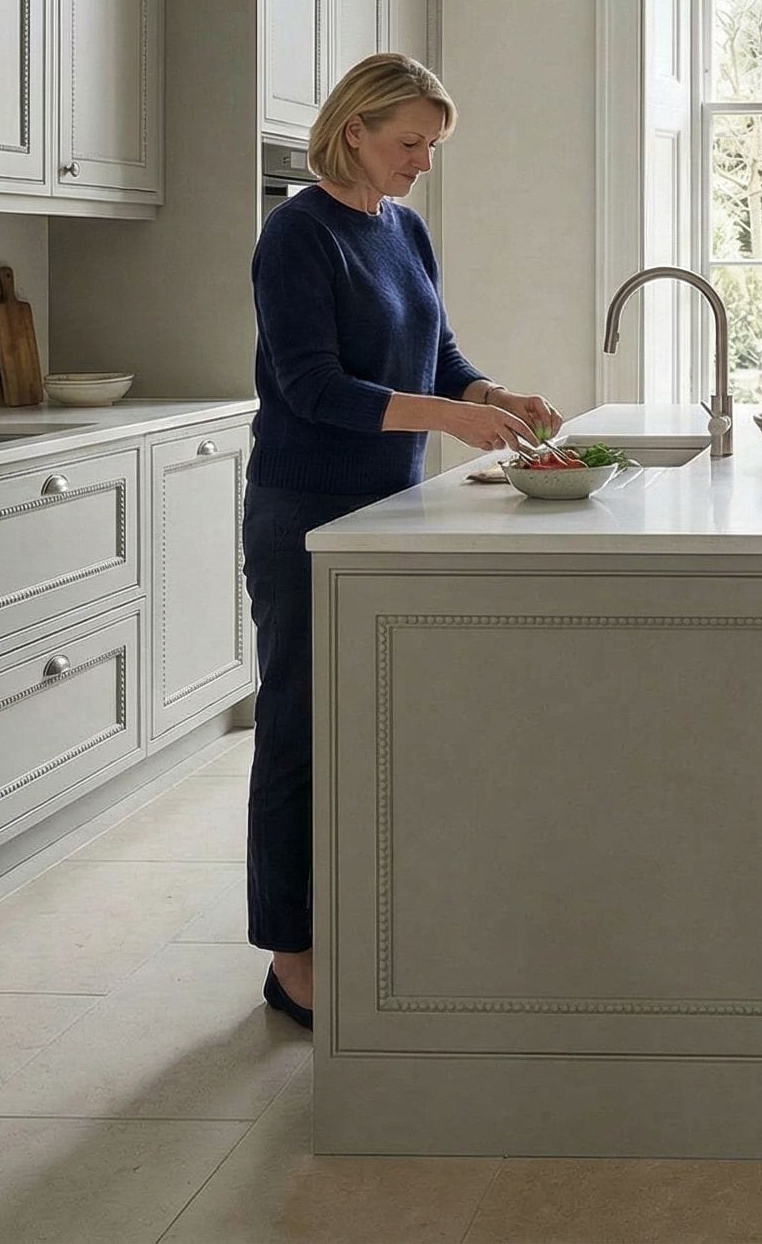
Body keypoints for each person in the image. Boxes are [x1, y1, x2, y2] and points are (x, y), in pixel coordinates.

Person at [244, 53, 561, 1027]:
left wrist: (487, 394)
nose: (422, 161)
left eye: (431, 145)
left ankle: (363, 920)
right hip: (306, 512)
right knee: (299, 729)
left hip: (391, 507)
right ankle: (291, 957)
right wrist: (441, 418)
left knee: (375, 726)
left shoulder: (403, 228)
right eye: (409, 141)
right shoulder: (296, 235)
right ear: (354, 131)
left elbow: (441, 351)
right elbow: (311, 387)